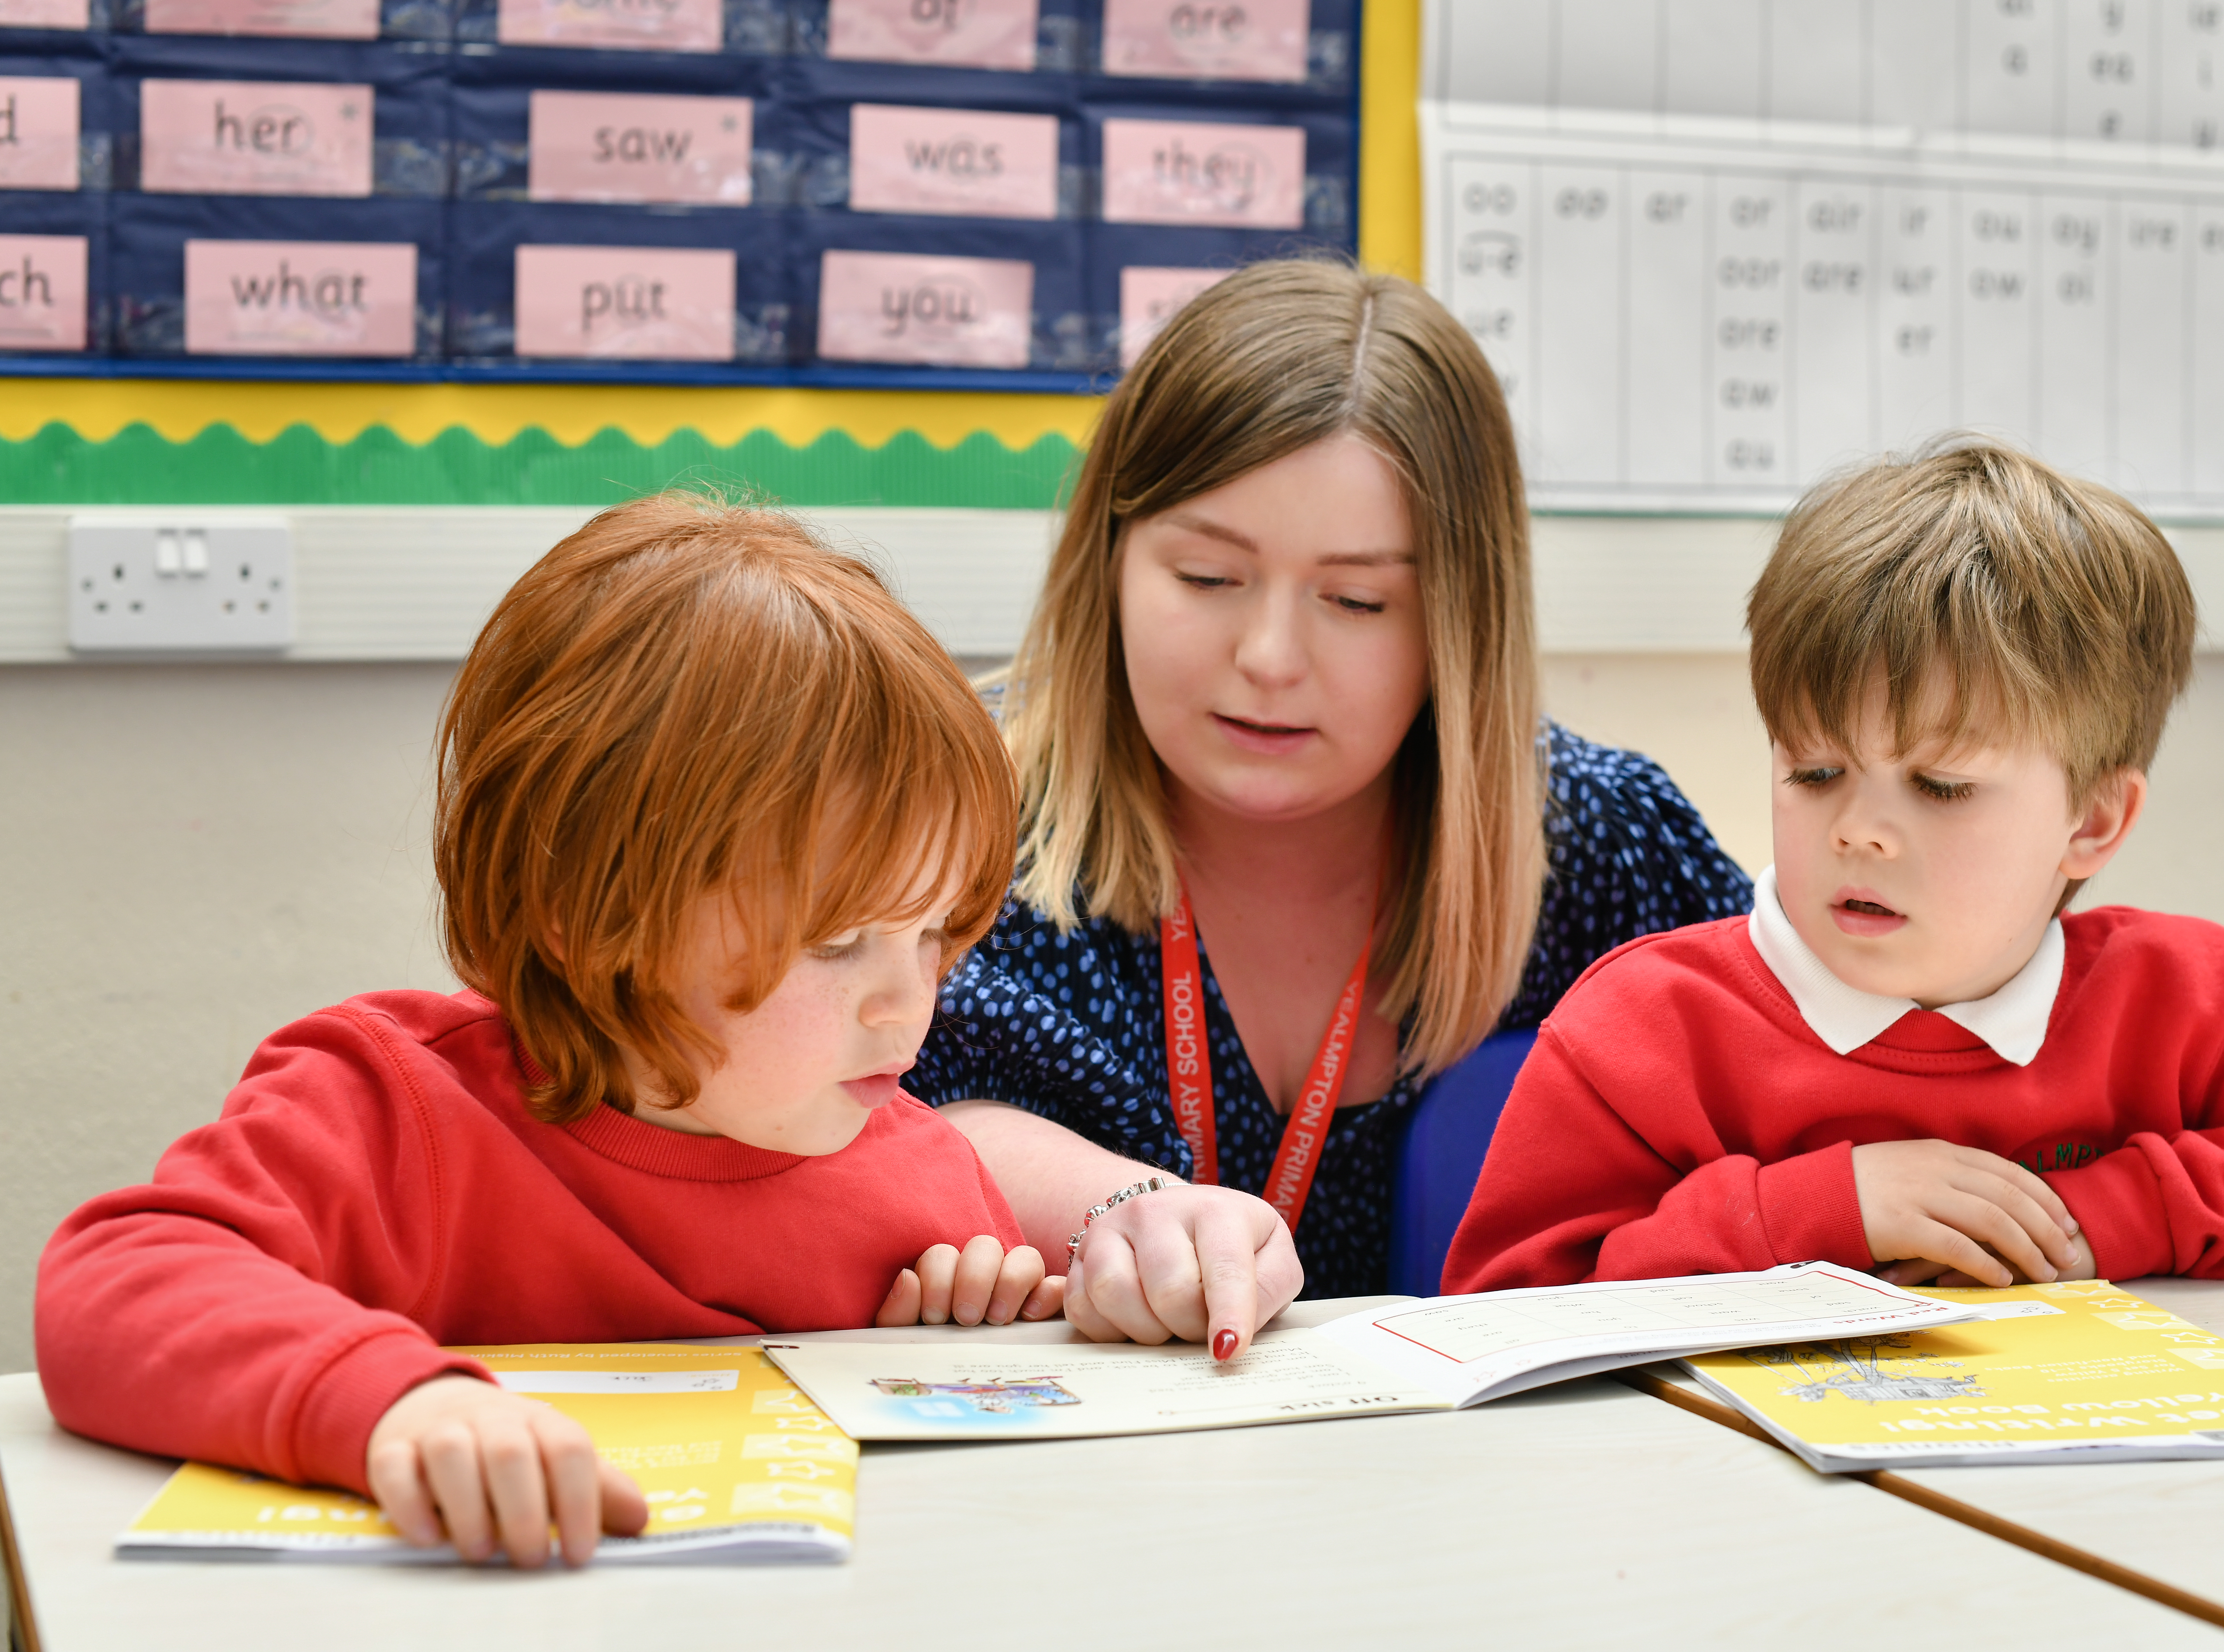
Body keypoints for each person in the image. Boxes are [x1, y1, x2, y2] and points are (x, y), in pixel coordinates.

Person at [37, 495, 1064, 1567]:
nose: (910, 1006)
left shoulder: (925, 1186)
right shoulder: (391, 1111)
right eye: (840, 938)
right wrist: (395, 1405)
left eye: (936, 933)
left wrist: (962, 1350)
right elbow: (112, 1286)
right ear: (589, 912)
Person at [907, 259, 1751, 1349]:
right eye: (1207, 578)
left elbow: (1804, 1080)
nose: (1267, 658)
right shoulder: (954, 823)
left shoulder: (1600, 840)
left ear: (1459, 618)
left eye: (1356, 601)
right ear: (1106, 563)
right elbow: (861, 1122)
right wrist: (1114, 1209)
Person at [1444, 439, 2224, 1294]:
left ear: (2092, 820)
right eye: (1814, 771)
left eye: (1938, 787)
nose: (1860, 830)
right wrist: (1822, 1209)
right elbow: (1500, 1311)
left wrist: (2117, 1211)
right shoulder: (1644, 1030)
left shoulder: (2188, 1001)